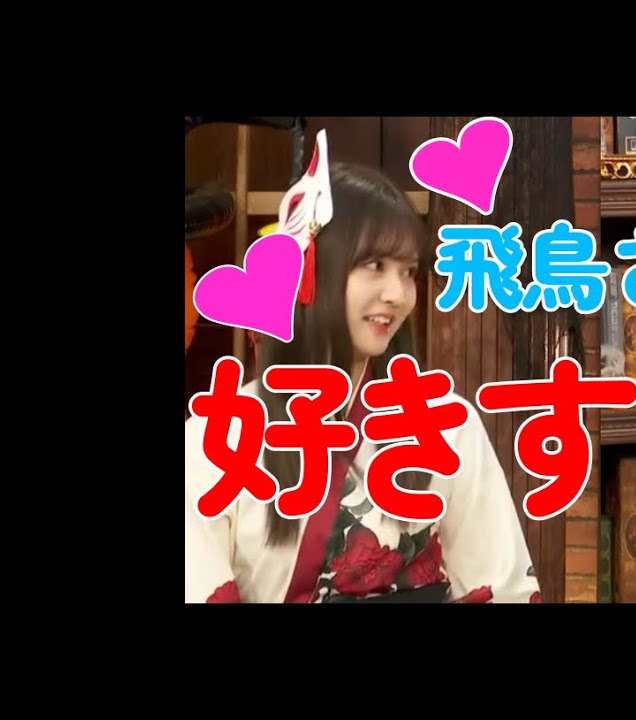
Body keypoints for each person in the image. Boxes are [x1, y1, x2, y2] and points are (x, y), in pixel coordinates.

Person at [185, 132, 541, 603]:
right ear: (312, 272)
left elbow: (500, 587)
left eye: (408, 272)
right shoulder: (219, 435)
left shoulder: (446, 424)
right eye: (374, 265)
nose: (397, 294)